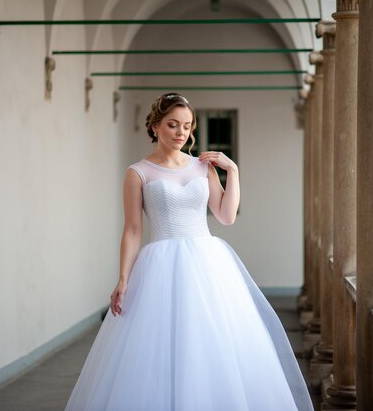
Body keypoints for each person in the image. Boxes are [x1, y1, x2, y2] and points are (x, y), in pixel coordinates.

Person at [64, 93, 313, 411]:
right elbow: (133, 230)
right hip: (160, 265)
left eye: (187, 126)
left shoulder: (203, 167)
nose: (181, 132)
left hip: (207, 262)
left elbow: (225, 216)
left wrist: (231, 170)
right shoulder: (138, 172)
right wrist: (123, 279)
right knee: (159, 346)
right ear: (155, 126)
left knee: (213, 343)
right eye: (172, 125)